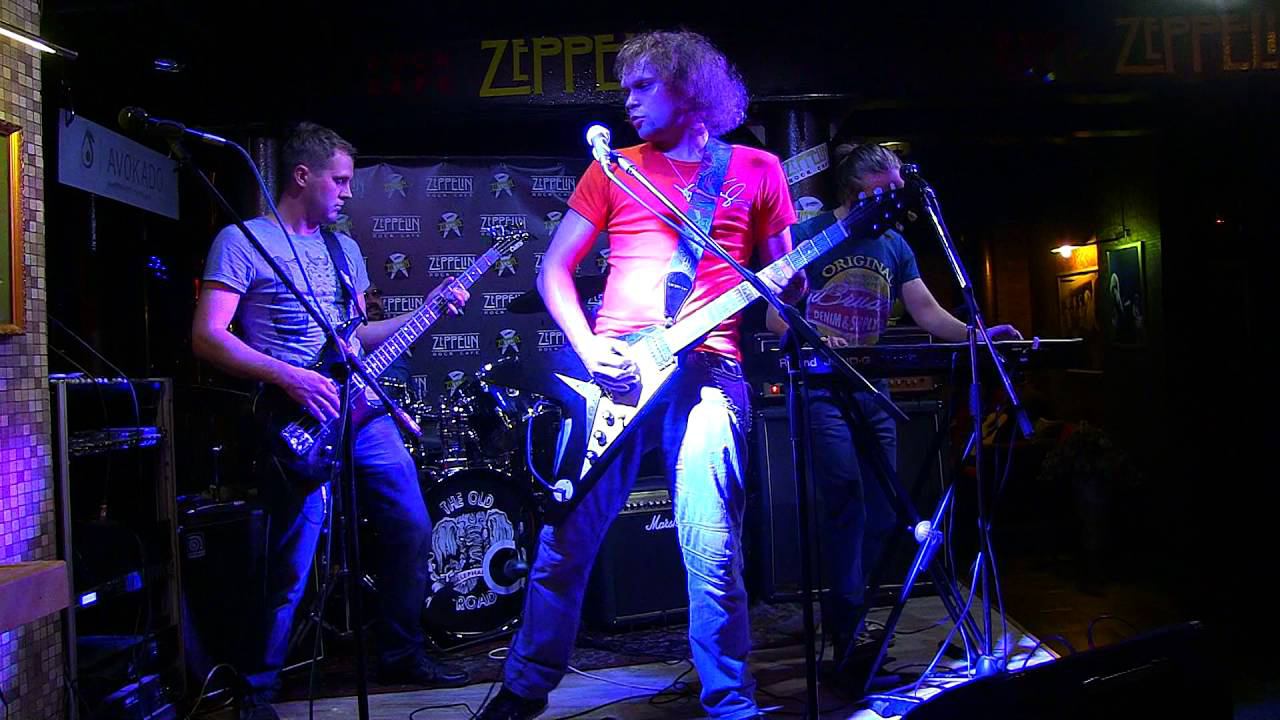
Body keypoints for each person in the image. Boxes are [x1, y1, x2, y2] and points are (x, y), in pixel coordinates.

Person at [477, 30, 805, 720]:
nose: (627, 101)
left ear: (690, 88)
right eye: (625, 88)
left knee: (712, 547)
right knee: (565, 541)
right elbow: (553, 270)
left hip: (710, 371)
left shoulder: (758, 168)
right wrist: (588, 348)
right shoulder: (615, 168)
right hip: (615, 374)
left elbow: (783, 298)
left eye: (643, 85)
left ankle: (730, 702)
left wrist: (793, 288)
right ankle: (524, 689)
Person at [191, 122, 471, 720]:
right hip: (295, 417)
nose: (348, 192)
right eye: (339, 181)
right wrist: (288, 376)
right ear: (303, 176)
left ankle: (401, 651)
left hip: (361, 411)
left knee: (411, 525)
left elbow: (358, 338)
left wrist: (426, 312)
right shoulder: (242, 240)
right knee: (292, 559)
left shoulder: (345, 251)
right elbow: (208, 336)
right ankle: (258, 689)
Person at [765, 142, 1022, 688]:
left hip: (873, 388)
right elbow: (774, 318)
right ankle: (845, 634)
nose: (897, 193)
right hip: (822, 390)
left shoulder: (895, 244)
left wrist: (978, 335)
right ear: (857, 189)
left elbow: (927, 312)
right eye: (887, 186)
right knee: (845, 502)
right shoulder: (811, 236)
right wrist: (814, 335)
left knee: (886, 512)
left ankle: (861, 627)